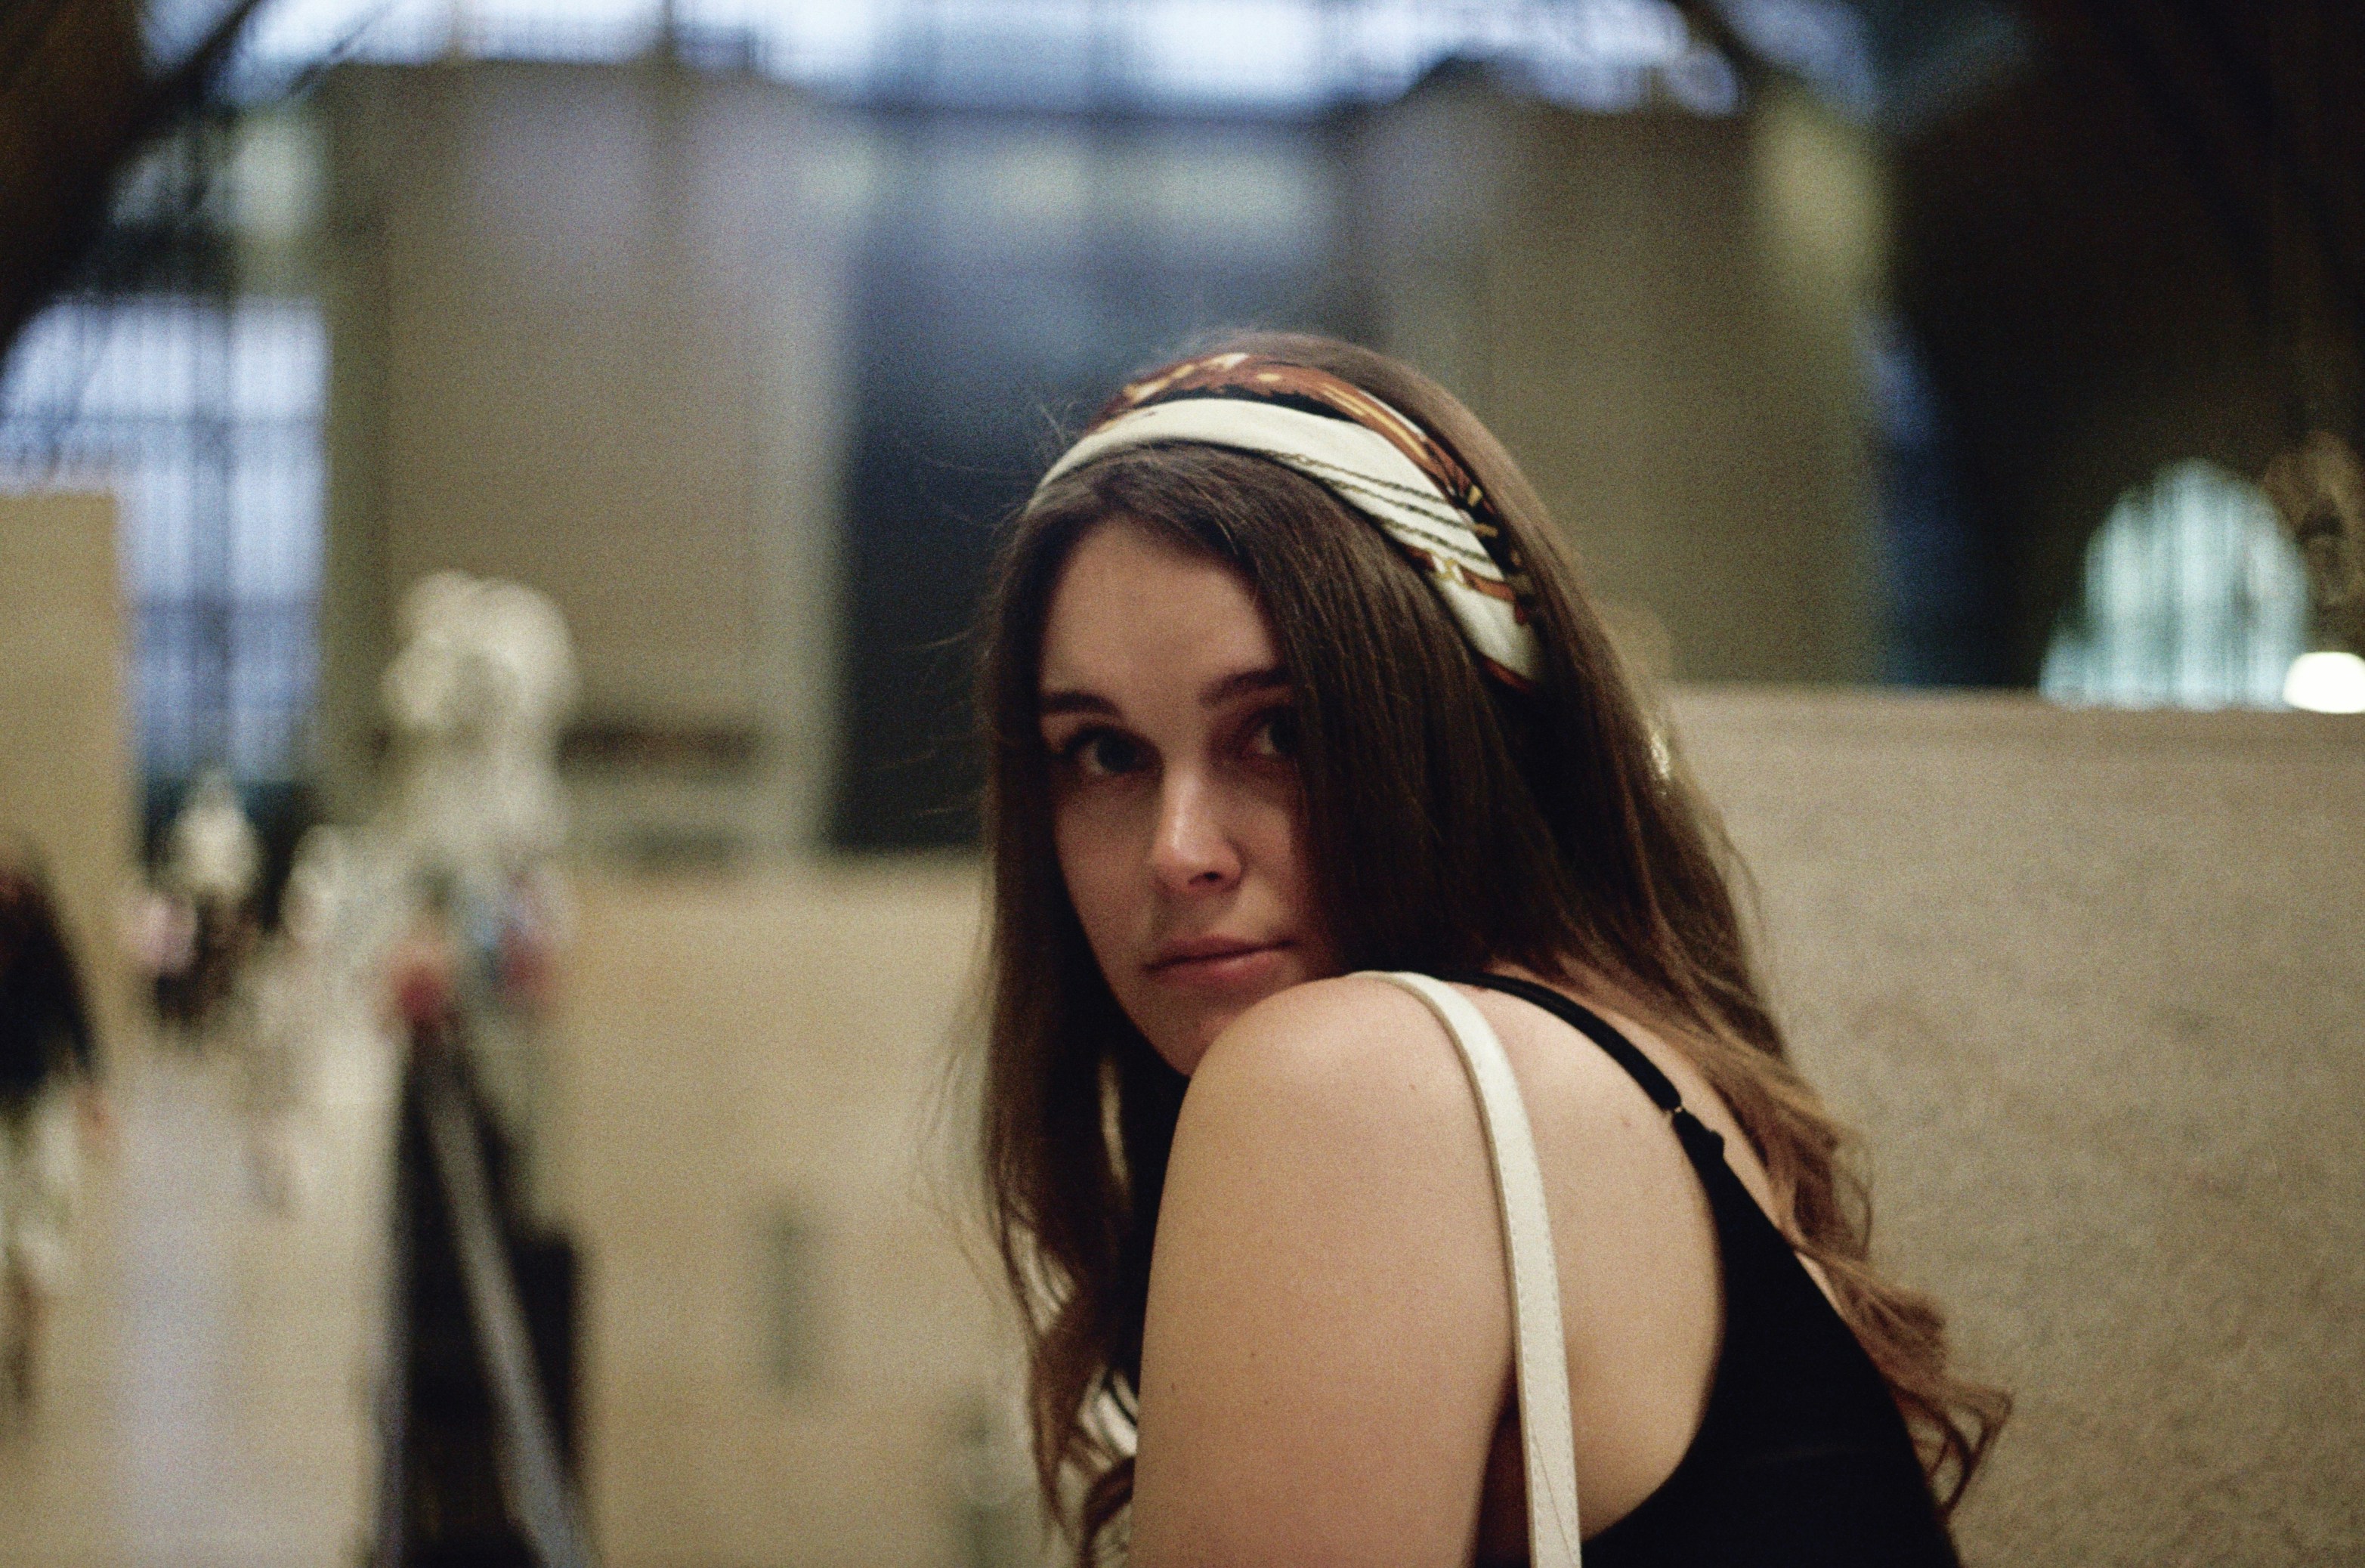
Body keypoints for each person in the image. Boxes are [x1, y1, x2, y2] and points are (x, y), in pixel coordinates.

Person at [974, 333, 2008, 1566]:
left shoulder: (1351, 1085)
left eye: (1281, 731)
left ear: (1461, 730)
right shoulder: (1633, 1073)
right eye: (1103, 753)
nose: (1176, 851)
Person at [0, 852, 104, 1405]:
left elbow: (78, 1021)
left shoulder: (47, 953)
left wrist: (92, 1090)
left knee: (41, 1230)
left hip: (40, 1103)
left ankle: (28, 1341)